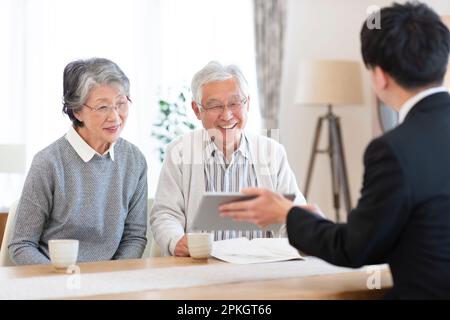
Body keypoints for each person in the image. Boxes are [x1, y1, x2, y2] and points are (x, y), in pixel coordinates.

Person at [219, 2, 450, 299]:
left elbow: (355, 249)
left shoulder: (393, 150)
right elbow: (407, 233)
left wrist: (287, 213)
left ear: (379, 76)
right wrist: (315, 224)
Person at [150, 61, 306, 257]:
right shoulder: (180, 152)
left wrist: (299, 235)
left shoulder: (272, 152)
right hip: (199, 265)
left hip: (261, 265)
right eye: (215, 106)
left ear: (247, 103)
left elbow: (293, 212)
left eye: (234, 103)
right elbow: (165, 214)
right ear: (197, 110)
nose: (227, 115)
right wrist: (176, 241)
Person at [9, 58, 148, 265]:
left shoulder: (134, 160)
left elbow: (134, 238)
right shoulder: (48, 162)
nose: (115, 117)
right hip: (55, 282)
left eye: (121, 103)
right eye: (102, 107)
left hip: (110, 284)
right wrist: (62, 282)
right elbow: (21, 245)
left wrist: (113, 278)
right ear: (77, 111)